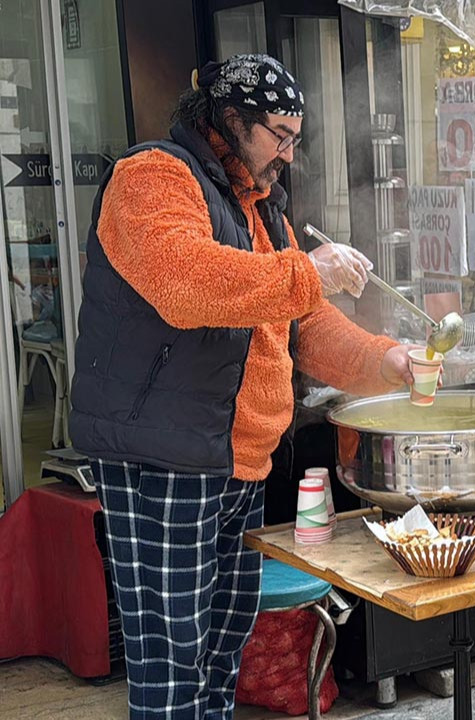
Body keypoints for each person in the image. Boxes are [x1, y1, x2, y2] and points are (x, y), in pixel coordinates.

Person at [69, 54, 415, 719]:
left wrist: (386, 360)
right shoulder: (152, 178)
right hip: (163, 459)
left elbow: (306, 325)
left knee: (222, 653)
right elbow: (187, 282)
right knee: (174, 660)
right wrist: (307, 269)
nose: (288, 153)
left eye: (294, 137)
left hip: (238, 463)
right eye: (278, 135)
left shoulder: (257, 209)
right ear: (230, 119)